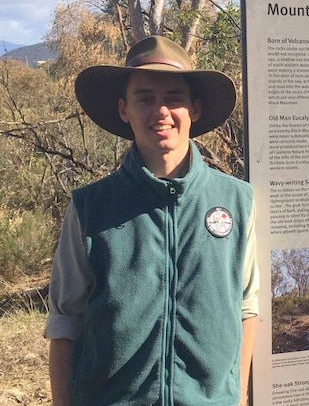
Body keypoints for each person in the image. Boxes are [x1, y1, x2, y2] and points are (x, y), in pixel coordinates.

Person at [44, 35, 259, 406]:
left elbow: (246, 306)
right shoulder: (90, 207)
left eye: (173, 98)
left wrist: (237, 399)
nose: (160, 110)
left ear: (194, 108)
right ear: (124, 109)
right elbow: (66, 322)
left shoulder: (237, 201)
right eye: (145, 98)